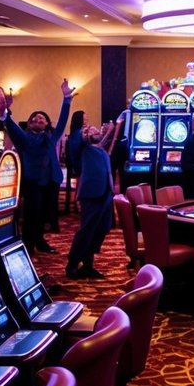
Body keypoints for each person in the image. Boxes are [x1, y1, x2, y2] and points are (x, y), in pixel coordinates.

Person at [0, 80, 73, 253]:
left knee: (46, 216)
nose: (38, 119)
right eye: (34, 118)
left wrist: (67, 98)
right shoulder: (25, 138)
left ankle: (40, 241)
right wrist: (4, 112)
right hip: (33, 182)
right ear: (30, 124)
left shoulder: (51, 137)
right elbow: (12, 126)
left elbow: (62, 121)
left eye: (42, 118)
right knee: (32, 216)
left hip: (51, 180)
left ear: (46, 124)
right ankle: (28, 246)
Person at [65, 117, 117, 279]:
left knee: (102, 228)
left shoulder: (99, 148)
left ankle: (88, 264)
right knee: (87, 229)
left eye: (96, 130)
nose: (95, 131)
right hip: (91, 193)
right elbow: (75, 138)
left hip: (106, 192)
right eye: (91, 130)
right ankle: (72, 264)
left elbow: (105, 140)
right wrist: (82, 129)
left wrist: (110, 130)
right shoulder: (81, 148)